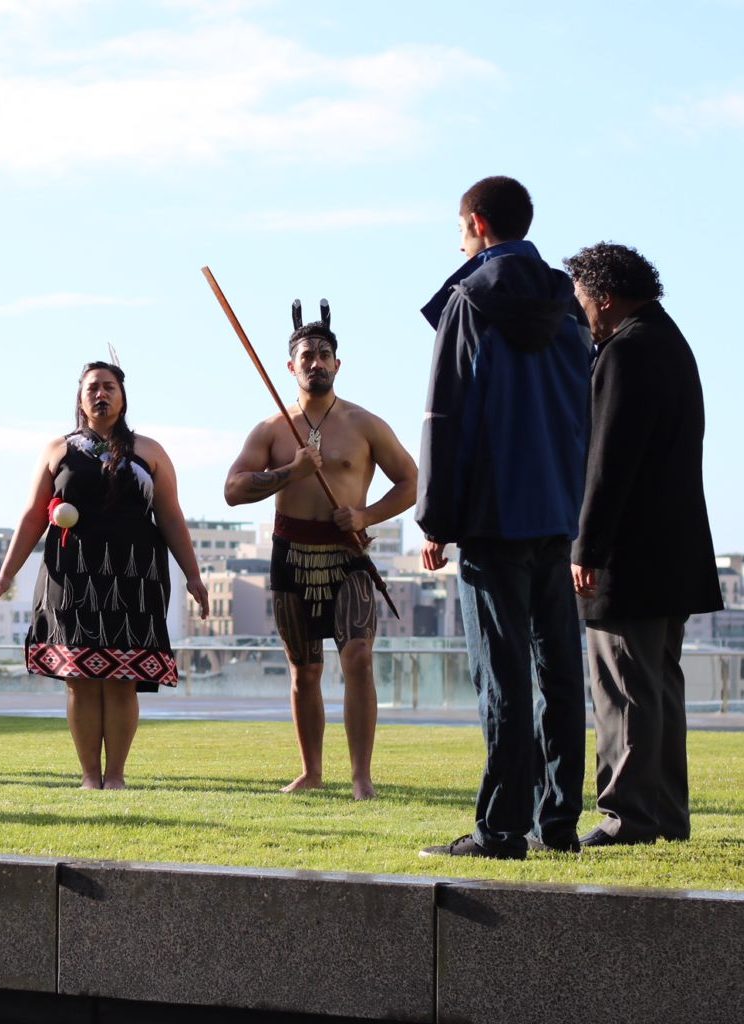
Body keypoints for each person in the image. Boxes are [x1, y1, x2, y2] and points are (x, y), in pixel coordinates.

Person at [417, 176, 592, 860]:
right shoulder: (571, 304)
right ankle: (558, 823)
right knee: (559, 673)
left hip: (493, 513)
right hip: (558, 509)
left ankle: (500, 828)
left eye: (460, 228)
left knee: (504, 676)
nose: (459, 239)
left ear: (479, 224)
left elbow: (446, 415)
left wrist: (437, 518)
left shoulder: (470, 299)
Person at [0, 361, 209, 790]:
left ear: (122, 398)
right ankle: (89, 776)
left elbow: (172, 518)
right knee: (80, 679)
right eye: (91, 389)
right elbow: (32, 517)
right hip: (71, 576)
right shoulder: (57, 450)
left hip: (134, 577)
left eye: (108, 387)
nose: (100, 394)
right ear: (80, 399)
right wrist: (5, 573)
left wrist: (193, 575)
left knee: (123, 679)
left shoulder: (150, 451)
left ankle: (116, 775)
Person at [224, 301, 416, 800]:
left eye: (324, 354)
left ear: (338, 363)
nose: (316, 362)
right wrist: (292, 471)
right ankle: (311, 771)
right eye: (306, 355)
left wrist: (366, 516)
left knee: (357, 657)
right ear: (291, 367)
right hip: (291, 553)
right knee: (304, 669)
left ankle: (361, 777)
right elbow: (234, 488)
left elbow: (411, 482)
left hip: (348, 554)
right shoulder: (271, 429)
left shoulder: (364, 423)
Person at [565, 243, 723, 847]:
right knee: (658, 685)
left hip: (628, 555)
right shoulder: (669, 343)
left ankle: (628, 816)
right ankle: (665, 814)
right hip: (673, 551)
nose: (580, 313)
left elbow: (609, 461)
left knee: (623, 685)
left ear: (604, 297)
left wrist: (587, 546)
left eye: (582, 300)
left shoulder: (625, 352)